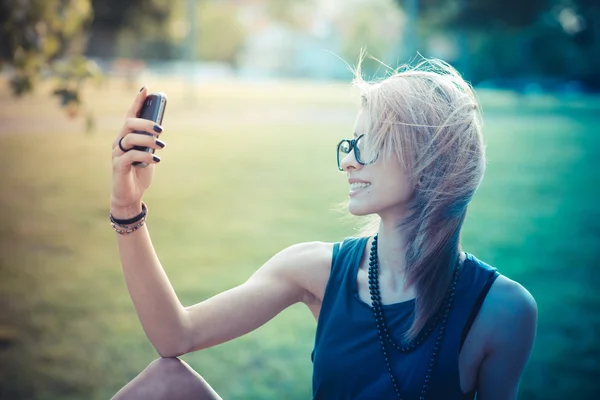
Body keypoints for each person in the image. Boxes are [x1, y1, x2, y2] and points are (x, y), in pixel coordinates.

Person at [109, 58, 537, 400]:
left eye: (368, 143)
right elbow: (174, 335)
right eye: (350, 145)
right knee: (166, 382)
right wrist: (127, 206)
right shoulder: (315, 270)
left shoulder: (503, 311)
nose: (349, 160)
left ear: (431, 159)